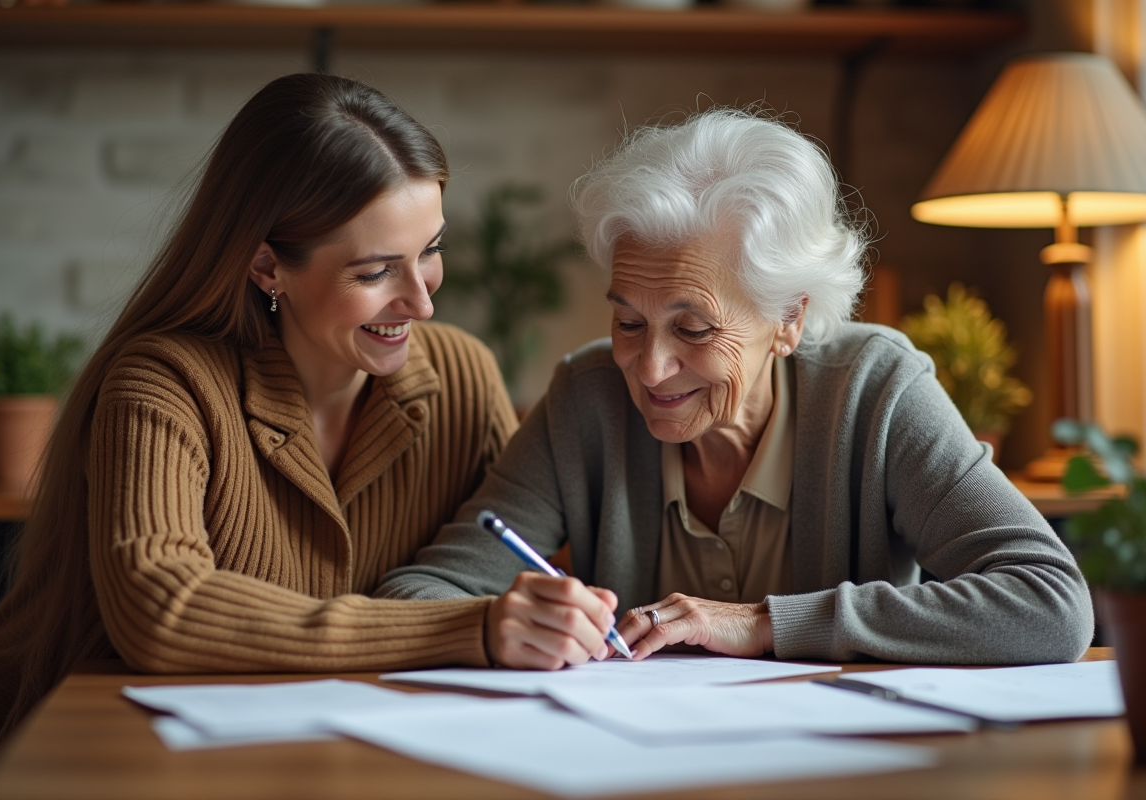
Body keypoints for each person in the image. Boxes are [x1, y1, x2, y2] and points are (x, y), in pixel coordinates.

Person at [0, 74, 517, 796]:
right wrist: (467, 629)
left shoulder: (464, 376)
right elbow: (164, 609)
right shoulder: (162, 382)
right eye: (376, 272)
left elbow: (528, 556)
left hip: (307, 762)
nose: (423, 300)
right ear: (266, 265)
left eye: (430, 250)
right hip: (62, 761)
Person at [376, 108, 1095, 671]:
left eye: (692, 330)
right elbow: (413, 598)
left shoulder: (875, 392)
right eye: (628, 320)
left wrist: (762, 623)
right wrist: (494, 625)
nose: (649, 369)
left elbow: (1051, 602)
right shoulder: (586, 399)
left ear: (790, 318)